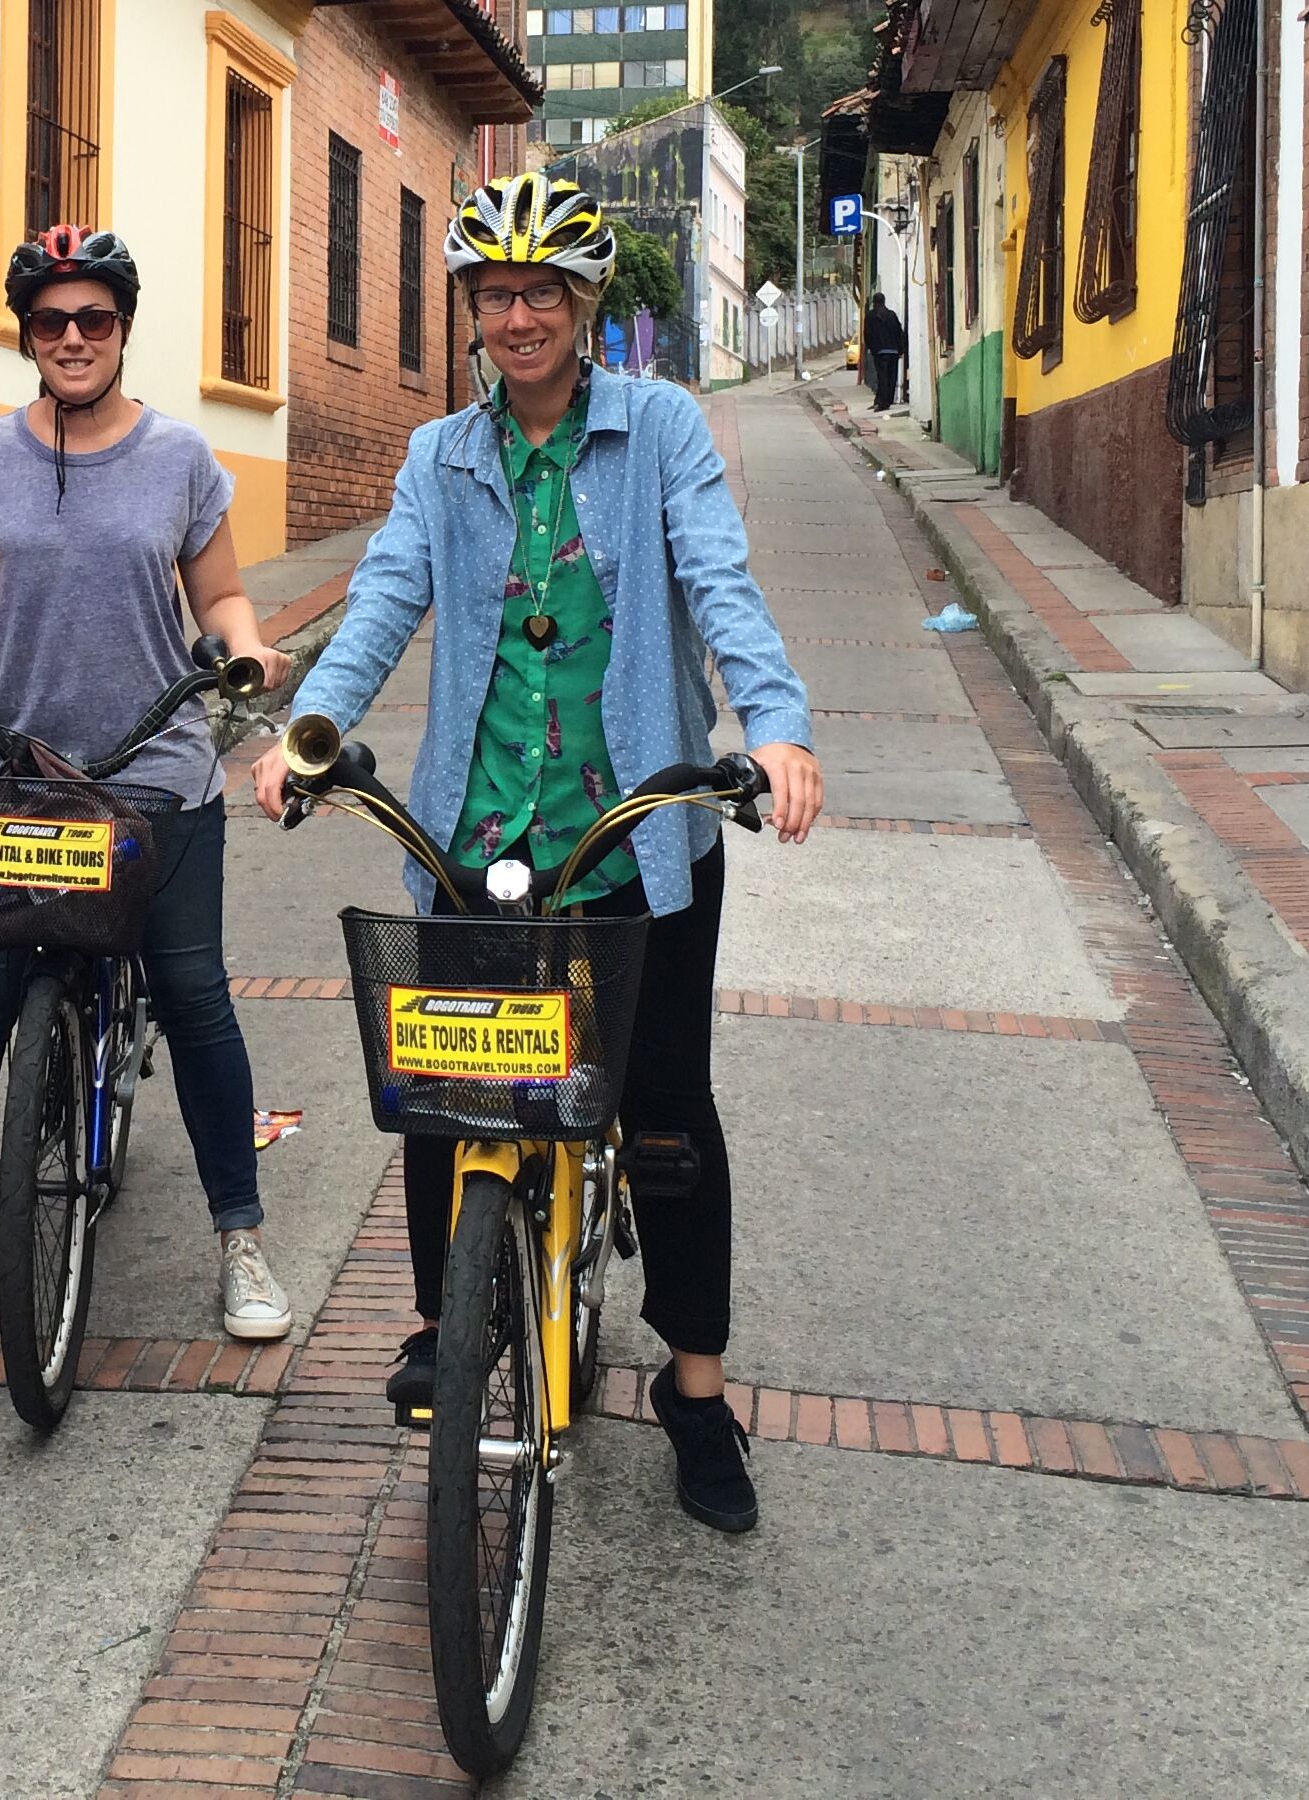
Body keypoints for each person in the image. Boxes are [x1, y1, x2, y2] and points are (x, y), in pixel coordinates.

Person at [253, 174, 823, 1534]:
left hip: (636, 836)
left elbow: (720, 582)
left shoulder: (658, 429)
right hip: (480, 835)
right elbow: (385, 596)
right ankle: (447, 1326)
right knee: (449, 1087)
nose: (518, 318)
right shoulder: (440, 456)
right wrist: (309, 732)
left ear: (583, 306)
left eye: (542, 294)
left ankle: (694, 1391)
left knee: (665, 1114)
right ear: (471, 310)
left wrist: (776, 729)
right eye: (495, 295)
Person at [0, 225, 298, 1345]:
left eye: (92, 319)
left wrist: (246, 646)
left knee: (194, 999)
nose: (72, 338)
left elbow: (219, 596)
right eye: (50, 321)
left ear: (122, 329)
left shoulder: (181, 458)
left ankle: (240, 1239)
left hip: (157, 771)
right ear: (27, 337)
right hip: (17, 772)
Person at [865, 291, 904, 411]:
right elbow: (899, 333)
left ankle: (883, 403)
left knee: (882, 377)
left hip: (880, 352)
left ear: (874, 302)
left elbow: (867, 334)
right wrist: (900, 350)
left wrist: (871, 348)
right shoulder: (892, 315)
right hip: (893, 351)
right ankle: (883, 400)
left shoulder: (871, 316)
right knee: (891, 378)